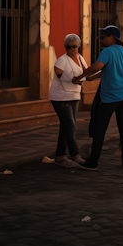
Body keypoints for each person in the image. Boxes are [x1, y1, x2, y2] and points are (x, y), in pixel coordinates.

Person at [72, 25, 123, 171]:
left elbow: (99, 66)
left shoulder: (107, 52)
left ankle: (93, 162)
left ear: (112, 37)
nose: (101, 38)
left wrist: (81, 76)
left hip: (109, 98)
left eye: (103, 36)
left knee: (99, 129)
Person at [49, 34, 88, 168]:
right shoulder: (62, 60)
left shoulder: (81, 58)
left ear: (78, 46)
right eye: (68, 47)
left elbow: (85, 73)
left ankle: (60, 156)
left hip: (74, 96)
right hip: (60, 97)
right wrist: (75, 80)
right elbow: (59, 75)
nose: (71, 49)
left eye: (74, 46)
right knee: (70, 125)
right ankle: (74, 154)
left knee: (67, 126)